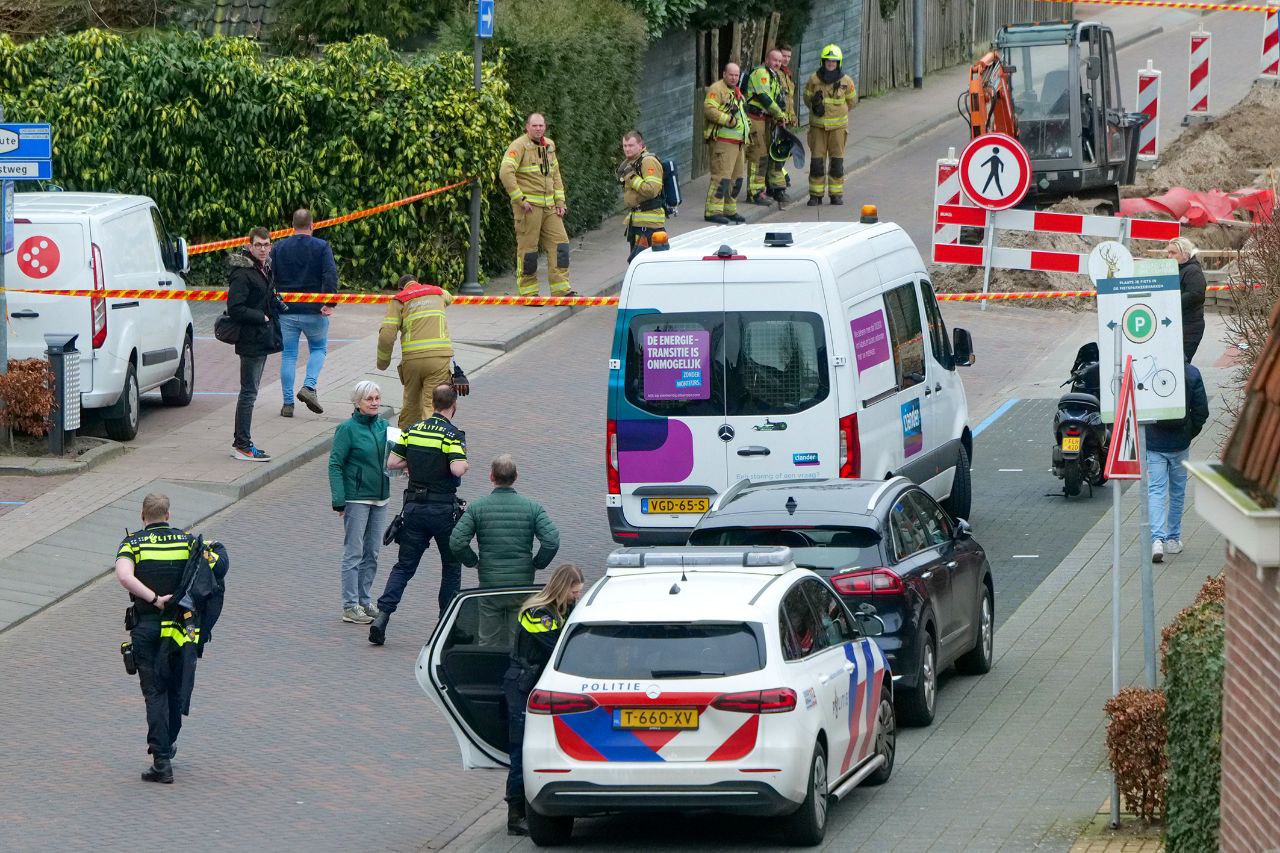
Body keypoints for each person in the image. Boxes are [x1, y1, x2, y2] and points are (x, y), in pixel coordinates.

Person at [114, 493, 227, 783]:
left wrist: (154, 598)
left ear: (142, 516)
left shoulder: (133, 544)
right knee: (176, 688)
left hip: (147, 628)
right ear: (168, 515)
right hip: (181, 629)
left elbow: (124, 576)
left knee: (154, 692)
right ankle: (168, 743)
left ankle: (161, 760)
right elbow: (217, 565)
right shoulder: (188, 542)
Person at [369, 384, 468, 645]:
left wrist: (413, 463)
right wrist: (461, 461)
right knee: (450, 567)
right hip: (443, 511)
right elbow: (457, 469)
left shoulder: (412, 430)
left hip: (413, 509)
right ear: (453, 405)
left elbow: (392, 463)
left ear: (433, 404)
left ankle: (383, 616)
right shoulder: (452, 435)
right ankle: (446, 628)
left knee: (404, 566)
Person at [503, 563, 584, 836]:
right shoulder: (537, 614)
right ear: (563, 588)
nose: (577, 597)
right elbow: (556, 649)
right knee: (520, 749)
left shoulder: (562, 611)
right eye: (574, 592)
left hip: (535, 683)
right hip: (522, 684)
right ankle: (516, 815)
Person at [449, 454, 561, 645]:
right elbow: (551, 541)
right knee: (518, 640)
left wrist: (474, 562)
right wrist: (536, 564)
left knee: (487, 640)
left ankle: (490, 670)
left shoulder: (478, 508)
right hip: (522, 584)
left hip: (489, 585)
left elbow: (457, 541)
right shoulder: (532, 507)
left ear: (491, 476)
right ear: (516, 476)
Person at [329, 380, 392, 624]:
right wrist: (339, 500)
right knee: (354, 553)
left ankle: (365, 601)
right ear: (357, 403)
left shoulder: (385, 426)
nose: (375, 403)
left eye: (377, 398)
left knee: (372, 553)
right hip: (357, 498)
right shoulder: (347, 429)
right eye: (369, 399)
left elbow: (394, 457)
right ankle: (350, 605)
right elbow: (335, 464)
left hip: (381, 498)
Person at [499, 113, 575, 298]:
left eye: (541, 125)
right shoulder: (518, 146)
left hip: (550, 207)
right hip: (529, 208)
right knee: (528, 251)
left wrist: (560, 202)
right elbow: (505, 172)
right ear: (527, 127)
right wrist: (520, 200)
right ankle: (529, 293)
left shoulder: (549, 145)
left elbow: (555, 175)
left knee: (561, 245)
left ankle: (561, 290)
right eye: (535, 125)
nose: (538, 128)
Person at [272, 209, 338, 418]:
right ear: (312, 225)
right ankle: (309, 387)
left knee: (289, 356)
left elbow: (270, 276)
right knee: (319, 349)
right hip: (314, 310)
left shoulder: (279, 247)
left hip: (286, 311)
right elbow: (330, 275)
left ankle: (288, 403)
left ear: (292, 226)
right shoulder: (322, 247)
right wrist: (330, 303)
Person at [226, 226, 283, 462]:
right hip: (251, 339)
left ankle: (242, 441)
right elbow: (235, 308)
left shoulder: (264, 268)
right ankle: (242, 444)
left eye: (266, 244)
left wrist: (275, 303)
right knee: (248, 392)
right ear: (250, 246)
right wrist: (261, 317)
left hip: (262, 337)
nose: (262, 248)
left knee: (250, 391)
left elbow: (264, 297)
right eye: (258, 245)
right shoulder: (243, 273)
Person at [1147, 361, 1210, 563]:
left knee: (1156, 490)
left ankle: (1157, 539)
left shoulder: (1150, 368)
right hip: (1180, 444)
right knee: (1177, 491)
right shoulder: (1191, 372)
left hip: (1154, 442)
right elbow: (1201, 411)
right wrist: (1188, 434)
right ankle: (1173, 539)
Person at [377, 274, 456, 431]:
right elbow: (449, 298)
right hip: (438, 359)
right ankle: (430, 446)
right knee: (432, 404)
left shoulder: (399, 299)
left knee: (411, 406)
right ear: (417, 282)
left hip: (412, 361)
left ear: (400, 288)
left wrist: (382, 363)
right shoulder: (437, 292)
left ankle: (405, 446)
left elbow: (387, 335)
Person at [803, 44, 858, 206]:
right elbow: (807, 99)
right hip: (818, 128)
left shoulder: (846, 81)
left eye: (834, 62)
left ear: (838, 63)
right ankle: (815, 195)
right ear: (823, 62)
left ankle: (836, 195)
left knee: (836, 163)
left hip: (838, 130)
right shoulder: (814, 79)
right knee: (817, 163)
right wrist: (815, 107)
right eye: (828, 61)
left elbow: (852, 101)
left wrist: (839, 114)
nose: (831, 64)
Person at [703, 62, 749, 225]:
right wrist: (729, 120)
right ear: (724, 74)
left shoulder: (735, 91)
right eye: (731, 74)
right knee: (721, 178)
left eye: (736, 75)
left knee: (736, 179)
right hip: (722, 142)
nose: (734, 77)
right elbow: (709, 110)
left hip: (738, 143)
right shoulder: (717, 88)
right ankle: (713, 211)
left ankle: (730, 210)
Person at [744, 49, 789, 205]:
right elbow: (765, 98)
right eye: (774, 60)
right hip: (755, 119)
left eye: (779, 60)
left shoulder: (774, 76)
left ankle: (763, 189)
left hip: (766, 120)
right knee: (758, 155)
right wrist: (779, 114)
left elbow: (779, 99)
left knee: (766, 155)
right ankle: (754, 194)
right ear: (766, 60)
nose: (777, 63)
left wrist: (781, 116)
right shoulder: (761, 73)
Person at [618, 130, 666, 261]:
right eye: (625, 146)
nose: (627, 149)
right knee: (637, 262)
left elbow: (652, 190)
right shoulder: (633, 162)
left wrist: (631, 177)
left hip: (649, 224)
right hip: (638, 222)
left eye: (631, 145)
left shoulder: (648, 161)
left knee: (642, 263)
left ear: (640, 145)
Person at [1166, 237, 1207, 361]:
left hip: (1190, 327)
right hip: (1179, 324)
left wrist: (1171, 302)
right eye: (1168, 253)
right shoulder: (1177, 269)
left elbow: (1196, 294)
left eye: (1173, 253)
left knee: (1181, 364)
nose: (1169, 256)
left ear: (1184, 253)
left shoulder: (1193, 271)